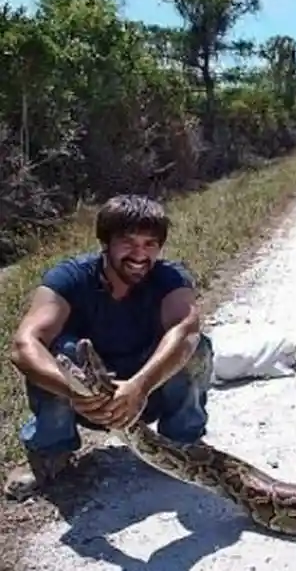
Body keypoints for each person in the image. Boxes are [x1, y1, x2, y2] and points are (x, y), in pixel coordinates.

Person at [4, 194, 213, 500]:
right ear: (106, 242)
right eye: (128, 243)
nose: (140, 255)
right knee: (58, 354)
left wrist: (140, 386)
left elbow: (186, 329)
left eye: (150, 244)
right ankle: (51, 453)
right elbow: (24, 346)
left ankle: (183, 445)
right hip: (82, 399)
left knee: (196, 347)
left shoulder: (169, 278)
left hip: (146, 393)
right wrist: (73, 389)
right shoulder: (70, 277)